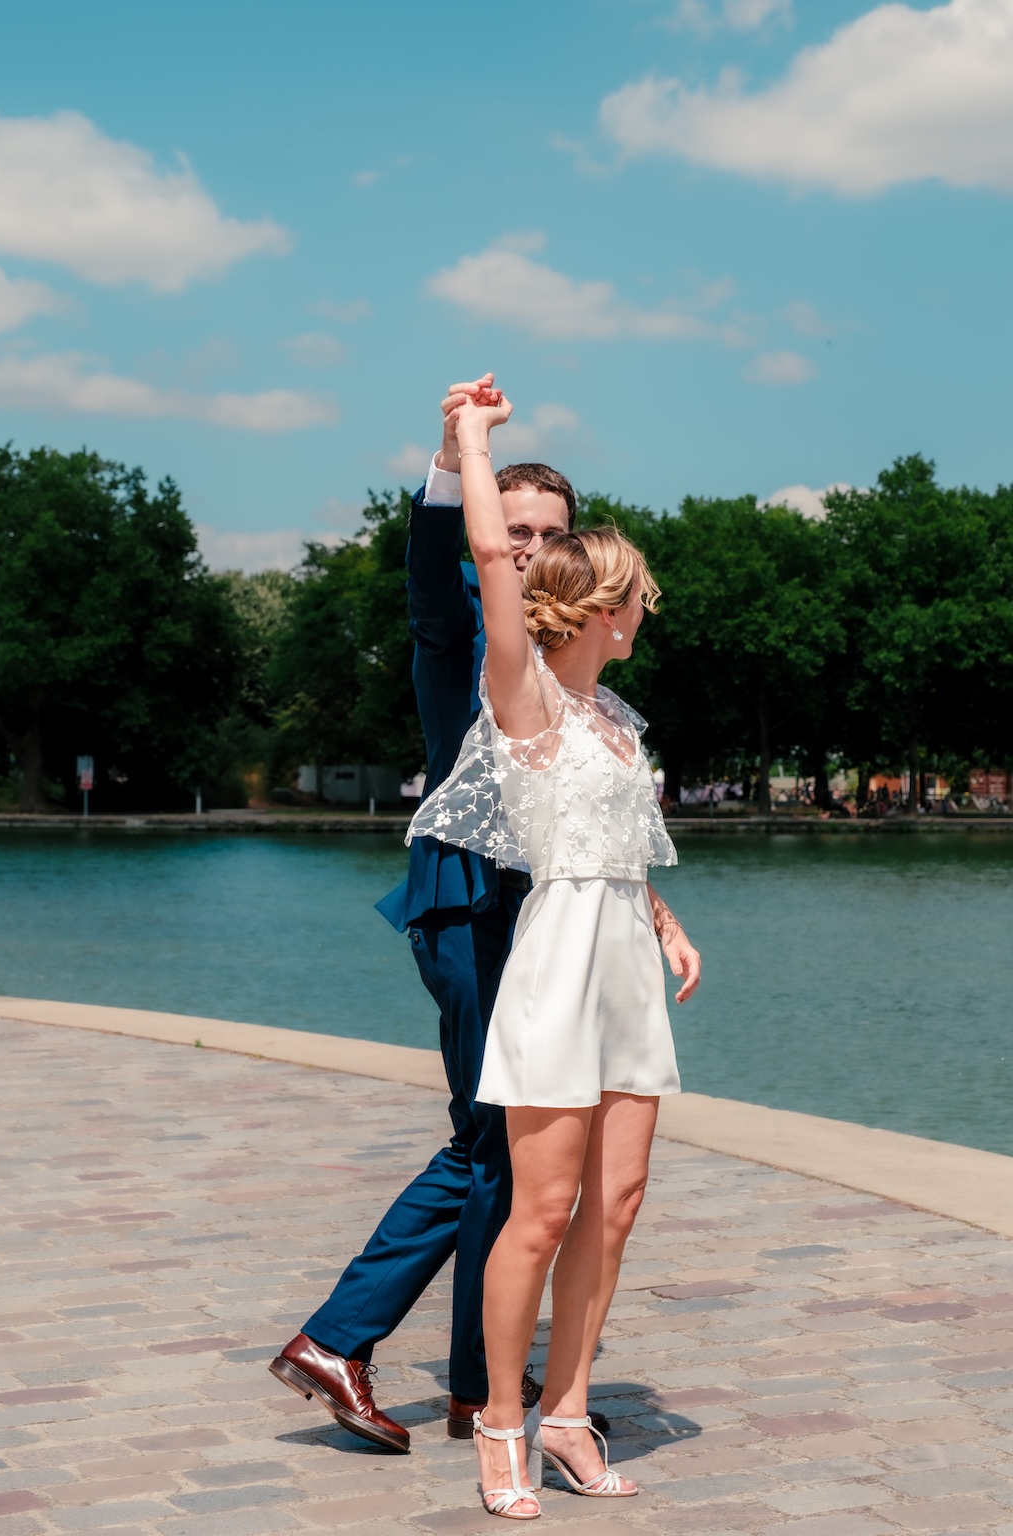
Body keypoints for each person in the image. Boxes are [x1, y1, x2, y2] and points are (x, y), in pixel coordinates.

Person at [269, 378, 691, 1448]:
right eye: (512, 528)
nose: (529, 544)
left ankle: (470, 1384)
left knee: (502, 1150)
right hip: (470, 909)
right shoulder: (461, 633)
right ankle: (347, 1339)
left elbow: (596, 821)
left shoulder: (588, 687)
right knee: (480, 1142)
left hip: (552, 920)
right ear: (481, 534)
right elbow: (443, 558)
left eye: (553, 532)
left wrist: (651, 909)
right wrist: (457, 454)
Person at [407, 381, 700, 1519]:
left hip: (625, 963)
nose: (648, 613)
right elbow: (489, 552)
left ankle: (569, 1409)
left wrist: (669, 924)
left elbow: (621, 850)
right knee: (539, 1208)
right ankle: (497, 1425)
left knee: (616, 1202)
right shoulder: (518, 691)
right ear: (596, 609)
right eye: (638, 598)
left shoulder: (618, 723)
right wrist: (471, 442)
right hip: (554, 969)